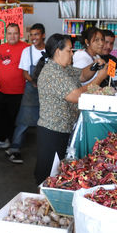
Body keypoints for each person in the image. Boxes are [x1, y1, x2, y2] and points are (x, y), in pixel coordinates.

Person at [34, 34, 109, 185]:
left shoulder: (63, 68)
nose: (72, 54)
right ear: (58, 51)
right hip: (53, 132)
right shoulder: (52, 73)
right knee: (47, 176)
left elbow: (81, 75)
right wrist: (99, 78)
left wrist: (95, 66)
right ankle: (42, 197)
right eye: (69, 51)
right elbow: (76, 96)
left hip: (63, 130)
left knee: (59, 174)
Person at [5, 23, 46, 164]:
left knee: (46, 121)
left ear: (43, 35)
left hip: (47, 92)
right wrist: (34, 82)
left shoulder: (50, 51)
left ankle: (46, 151)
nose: (34, 38)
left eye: (37, 34)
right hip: (31, 90)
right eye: (32, 35)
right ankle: (14, 149)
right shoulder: (27, 51)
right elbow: (24, 73)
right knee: (24, 121)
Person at [0, 23, 29, 150]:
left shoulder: (26, 48)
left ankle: (13, 146)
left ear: (19, 34)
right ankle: (1, 140)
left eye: (15, 33)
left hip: (18, 92)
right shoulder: (1, 47)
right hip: (1, 90)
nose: (12, 36)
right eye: (10, 33)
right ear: (6, 35)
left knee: (13, 120)